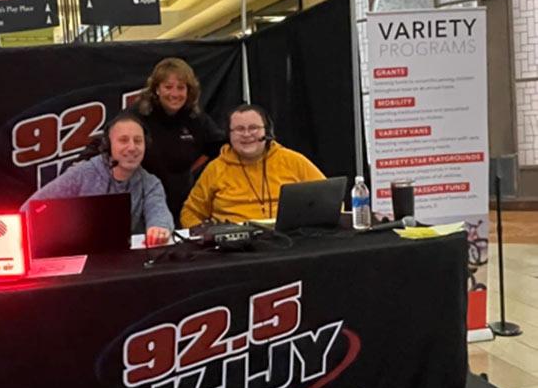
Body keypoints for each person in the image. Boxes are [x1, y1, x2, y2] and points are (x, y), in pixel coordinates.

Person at [22, 112, 174, 246]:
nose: (132, 147)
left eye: (138, 141)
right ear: (108, 146)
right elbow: (29, 209)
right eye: (123, 140)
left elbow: (160, 215)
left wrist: (159, 229)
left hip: (123, 264)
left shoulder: (151, 183)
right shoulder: (81, 173)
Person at [180, 104, 325, 227]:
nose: (247, 134)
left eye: (253, 128)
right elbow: (190, 214)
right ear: (229, 135)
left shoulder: (293, 161)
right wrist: (206, 238)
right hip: (233, 252)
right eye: (239, 129)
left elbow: (327, 199)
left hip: (290, 243)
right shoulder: (215, 169)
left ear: (267, 131)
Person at [133, 57, 225, 224]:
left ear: (188, 91)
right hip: (144, 205)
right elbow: (112, 141)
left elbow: (218, 145)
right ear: (156, 89)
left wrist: (191, 171)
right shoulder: (137, 115)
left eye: (181, 88)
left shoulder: (195, 117)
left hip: (183, 203)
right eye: (168, 87)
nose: (174, 94)